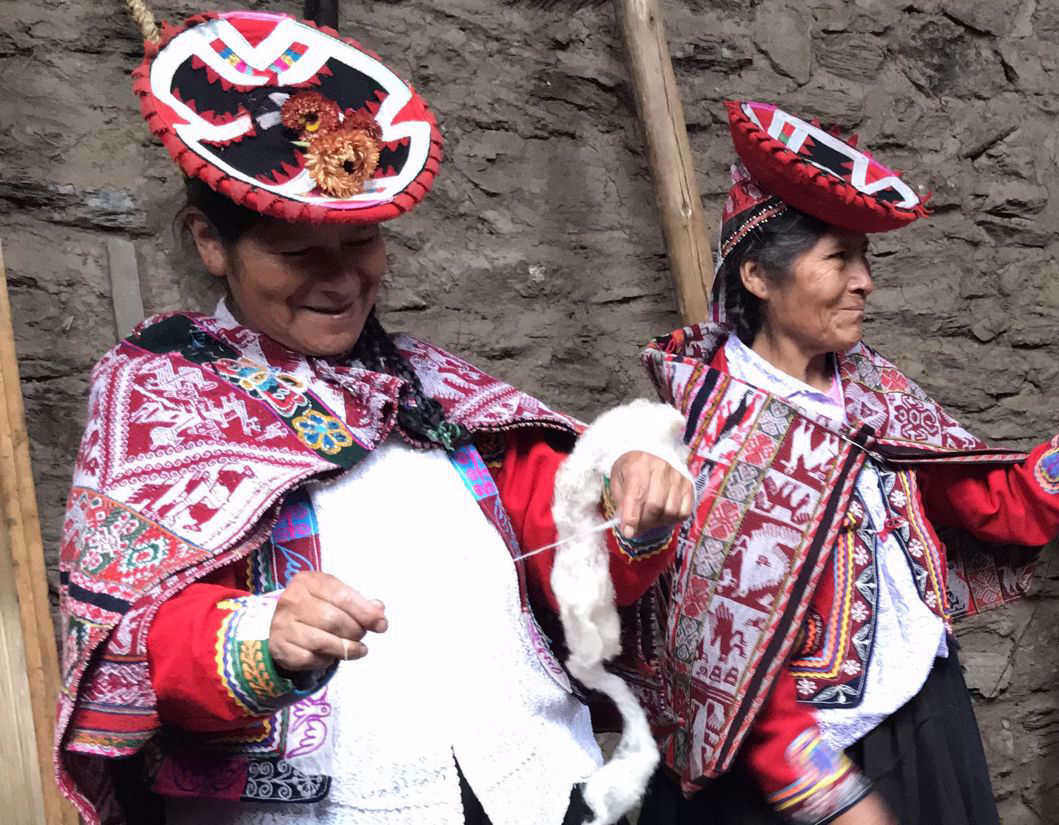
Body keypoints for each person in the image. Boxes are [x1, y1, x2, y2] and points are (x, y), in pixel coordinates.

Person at [54, 11, 695, 824]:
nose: (340, 280)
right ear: (210, 243)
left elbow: (564, 541)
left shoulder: (434, 392)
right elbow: (140, 629)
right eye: (297, 254)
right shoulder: (159, 399)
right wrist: (260, 637)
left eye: (360, 245)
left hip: (534, 785)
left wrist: (626, 500)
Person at [630, 100, 1059, 825]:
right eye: (839, 258)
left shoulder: (873, 390)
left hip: (918, 715)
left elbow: (999, 507)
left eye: (865, 259)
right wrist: (834, 799)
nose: (865, 281)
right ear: (758, 277)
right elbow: (718, 653)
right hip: (793, 765)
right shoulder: (715, 431)